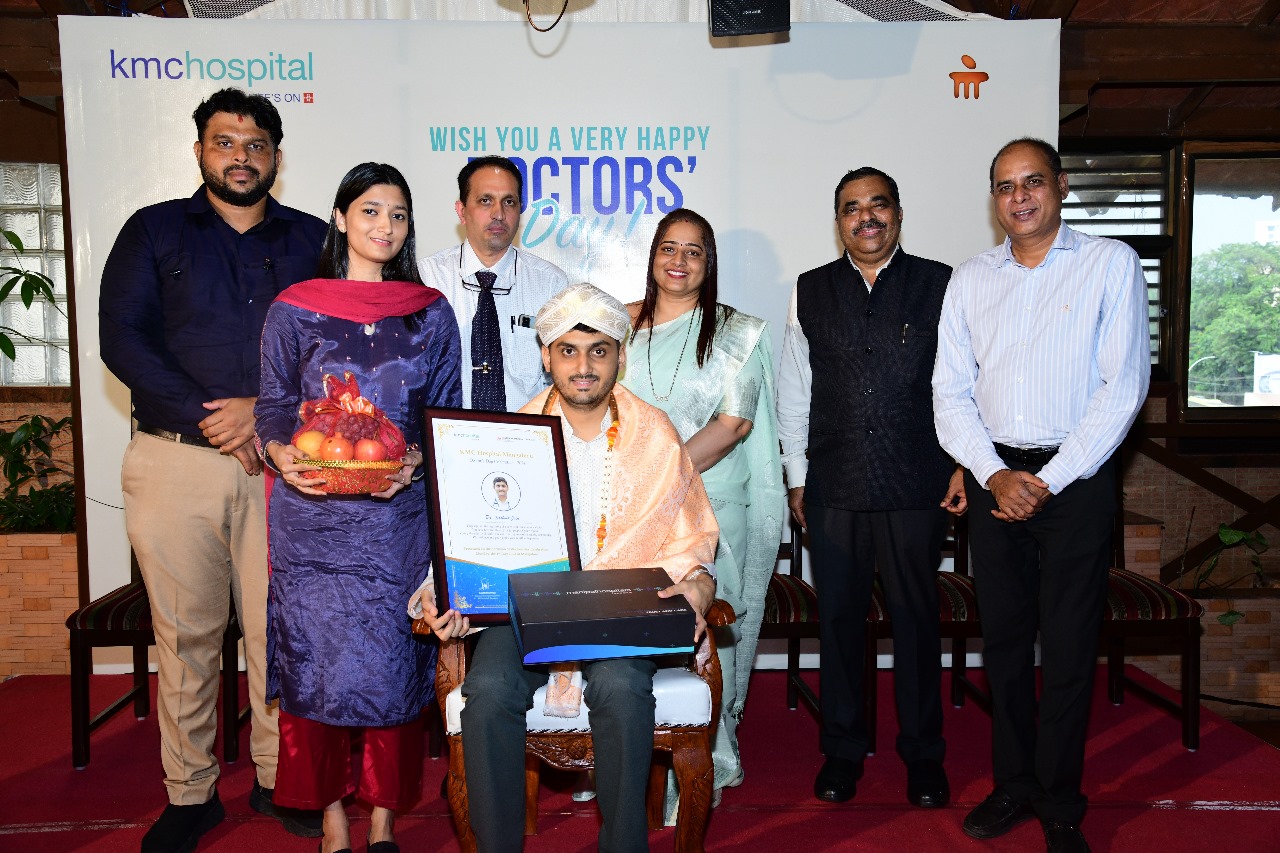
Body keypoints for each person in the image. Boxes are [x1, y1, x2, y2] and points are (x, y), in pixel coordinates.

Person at [99, 88, 326, 853]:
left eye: (256, 144)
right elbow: (123, 339)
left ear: (275, 157)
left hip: (283, 464)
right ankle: (190, 792)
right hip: (175, 460)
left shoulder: (313, 240)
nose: (241, 156)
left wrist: (264, 411)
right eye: (225, 141)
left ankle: (276, 776)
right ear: (200, 150)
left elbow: (339, 349)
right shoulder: (153, 230)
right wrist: (214, 415)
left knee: (279, 633)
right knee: (186, 636)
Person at [419, 282, 720, 853]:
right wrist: (445, 591)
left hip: (620, 608)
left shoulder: (655, 434)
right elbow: (471, 529)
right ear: (546, 356)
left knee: (621, 690)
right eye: (568, 351)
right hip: (527, 608)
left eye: (599, 351)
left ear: (620, 357)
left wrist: (698, 586)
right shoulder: (510, 434)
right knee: (488, 693)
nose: (583, 367)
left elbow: (692, 537)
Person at [933, 138, 1150, 853]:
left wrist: (1049, 480)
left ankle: (1060, 802)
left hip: (1077, 482)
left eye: (1032, 182)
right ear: (993, 199)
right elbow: (949, 391)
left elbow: (1124, 386)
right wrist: (993, 473)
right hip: (995, 481)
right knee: (1002, 645)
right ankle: (1013, 784)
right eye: (1005, 186)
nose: (1019, 197)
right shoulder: (971, 278)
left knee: (1066, 647)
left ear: (1060, 186)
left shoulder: (1110, 263)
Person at [255, 162, 463, 853]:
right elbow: (274, 405)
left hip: (394, 523)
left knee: (393, 674)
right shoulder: (295, 308)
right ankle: (332, 822)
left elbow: (444, 413)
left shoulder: (429, 312)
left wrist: (417, 460)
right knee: (314, 671)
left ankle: (381, 822)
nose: (385, 225)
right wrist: (279, 452)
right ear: (341, 218)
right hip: (312, 520)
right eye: (370, 210)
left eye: (398, 214)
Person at [777, 167, 965, 809]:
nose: (866, 217)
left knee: (916, 623)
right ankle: (842, 751)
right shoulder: (808, 290)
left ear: (898, 214)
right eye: (852, 208)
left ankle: (924, 756)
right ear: (839, 222)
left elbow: (963, 382)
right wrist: (798, 478)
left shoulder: (941, 284)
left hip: (917, 482)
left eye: (878, 204)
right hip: (834, 485)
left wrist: (963, 464)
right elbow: (795, 393)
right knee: (839, 625)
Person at [624, 208, 783, 806]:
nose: (680, 261)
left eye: (694, 251)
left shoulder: (735, 333)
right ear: (653, 256)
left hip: (711, 503)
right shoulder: (621, 325)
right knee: (632, 634)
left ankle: (701, 763)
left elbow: (734, 424)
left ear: (708, 263)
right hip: (631, 511)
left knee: (701, 636)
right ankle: (623, 753)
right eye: (669, 247)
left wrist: (661, 477)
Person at [419, 155, 568, 412]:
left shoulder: (550, 283)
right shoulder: (426, 278)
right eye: (485, 201)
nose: (498, 214)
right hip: (447, 432)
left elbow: (562, 378)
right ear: (461, 211)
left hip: (526, 431)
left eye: (509, 202)